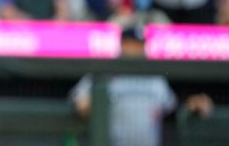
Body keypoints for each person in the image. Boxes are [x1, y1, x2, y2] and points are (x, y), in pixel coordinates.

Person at [69, 24, 213, 146]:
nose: (137, 50)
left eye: (140, 45)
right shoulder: (105, 71)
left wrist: (192, 104)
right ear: (122, 44)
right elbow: (79, 102)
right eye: (132, 44)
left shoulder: (154, 77)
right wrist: (87, 103)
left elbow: (170, 109)